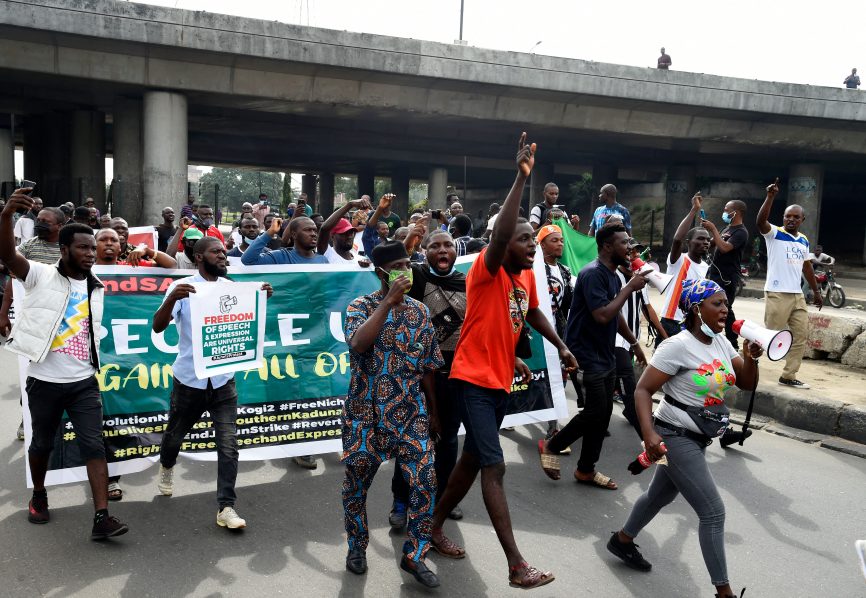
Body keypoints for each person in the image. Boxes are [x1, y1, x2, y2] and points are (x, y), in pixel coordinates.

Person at [431, 133, 577, 590]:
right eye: (526, 240)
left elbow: (529, 314)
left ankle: (430, 527)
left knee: (472, 462)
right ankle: (516, 564)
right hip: (470, 381)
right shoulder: (486, 270)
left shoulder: (522, 280)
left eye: (535, 240)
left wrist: (559, 345)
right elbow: (499, 235)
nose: (533, 245)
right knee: (494, 467)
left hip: (497, 382)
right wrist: (521, 178)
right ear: (504, 245)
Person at [607, 279, 760, 598]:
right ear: (696, 308)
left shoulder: (721, 342)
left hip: (697, 438)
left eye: (726, 303)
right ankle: (724, 593)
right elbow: (643, 390)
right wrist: (649, 434)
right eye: (717, 303)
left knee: (659, 496)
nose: (725, 308)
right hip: (673, 437)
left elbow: (745, 382)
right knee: (714, 513)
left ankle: (622, 540)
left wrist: (752, 358)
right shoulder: (676, 346)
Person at [0, 188, 129, 540]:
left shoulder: (97, 286)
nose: (91, 253)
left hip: (84, 382)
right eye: (84, 248)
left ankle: (102, 517)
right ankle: (39, 495)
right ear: (64, 249)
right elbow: (8, 256)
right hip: (43, 382)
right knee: (42, 444)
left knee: (94, 445)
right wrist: (5, 216)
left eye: (93, 247)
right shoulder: (40, 275)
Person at [341, 240, 444, 588]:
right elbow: (358, 343)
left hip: (410, 414)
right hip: (365, 415)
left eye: (409, 263)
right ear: (381, 272)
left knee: (425, 481)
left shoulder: (419, 312)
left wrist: (433, 412)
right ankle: (357, 545)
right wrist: (387, 302)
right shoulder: (360, 306)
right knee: (356, 486)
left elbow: (428, 366)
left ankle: (415, 555)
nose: (407, 271)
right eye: (399, 265)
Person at [152, 236, 273, 530]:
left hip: (223, 384)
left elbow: (246, 324)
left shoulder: (232, 289)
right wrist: (171, 299)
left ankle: (226, 507)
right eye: (216, 252)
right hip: (189, 382)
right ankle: (167, 465)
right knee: (174, 437)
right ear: (198, 257)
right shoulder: (183, 288)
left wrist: (260, 299)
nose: (223, 256)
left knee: (228, 446)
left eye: (223, 252)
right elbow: (157, 326)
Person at [538, 222, 647, 490]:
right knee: (596, 410)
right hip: (585, 354)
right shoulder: (592, 274)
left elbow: (615, 313)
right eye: (624, 243)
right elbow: (602, 315)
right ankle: (553, 445)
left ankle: (586, 469)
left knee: (605, 411)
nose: (629, 248)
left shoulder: (612, 274)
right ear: (608, 246)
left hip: (605, 352)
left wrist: (633, 342)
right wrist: (629, 288)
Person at [389, 227, 467, 528]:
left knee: (447, 441)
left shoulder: (466, 282)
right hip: (417, 376)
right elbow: (396, 260)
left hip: (454, 376)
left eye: (448, 245)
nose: (443, 250)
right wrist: (411, 240)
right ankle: (401, 501)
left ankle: (441, 498)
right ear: (426, 252)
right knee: (412, 441)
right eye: (435, 246)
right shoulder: (417, 276)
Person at [0, 206, 65, 441]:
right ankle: (25, 419)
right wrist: (4, 312)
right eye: (38, 220)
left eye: (45, 221)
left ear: (60, 225)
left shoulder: (68, 248)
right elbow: (13, 281)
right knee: (32, 377)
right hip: (34, 322)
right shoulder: (29, 246)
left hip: (65, 325)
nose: (38, 223)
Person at [757, 179, 821, 389]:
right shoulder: (775, 233)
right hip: (777, 293)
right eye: (787, 216)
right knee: (768, 335)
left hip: (797, 296)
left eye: (795, 217)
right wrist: (770, 197)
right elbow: (760, 222)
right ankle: (741, 362)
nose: (791, 219)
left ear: (802, 219)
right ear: (783, 218)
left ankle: (788, 376)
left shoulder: (803, 239)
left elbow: (807, 267)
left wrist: (816, 291)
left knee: (800, 336)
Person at [615, 240, 668, 438]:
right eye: (628, 253)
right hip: (616, 340)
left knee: (613, 382)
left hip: (632, 340)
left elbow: (648, 308)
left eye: (636, 253)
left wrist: (664, 335)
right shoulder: (613, 276)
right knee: (629, 384)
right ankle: (648, 436)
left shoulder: (641, 279)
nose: (632, 257)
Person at [658, 195, 711, 339]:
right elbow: (677, 239)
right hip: (671, 320)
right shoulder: (679, 260)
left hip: (691, 322)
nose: (705, 242)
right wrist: (694, 210)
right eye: (700, 239)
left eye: (707, 239)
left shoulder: (705, 266)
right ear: (689, 242)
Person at [703, 200, 748, 348]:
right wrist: (706, 239)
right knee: (712, 306)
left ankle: (732, 342)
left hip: (728, 277)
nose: (724, 212)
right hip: (715, 274)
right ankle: (712, 336)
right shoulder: (726, 228)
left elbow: (725, 248)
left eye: (726, 210)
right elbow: (713, 244)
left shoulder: (741, 232)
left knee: (725, 308)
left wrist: (714, 229)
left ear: (736, 212)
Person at [241, 216, 328, 266]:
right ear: (294, 235)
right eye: (308, 230)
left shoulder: (322, 260)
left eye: (315, 230)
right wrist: (270, 232)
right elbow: (247, 260)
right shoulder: (280, 257)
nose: (313, 234)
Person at [318, 198, 373, 266]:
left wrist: (366, 268)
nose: (349, 236)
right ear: (332, 236)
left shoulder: (360, 260)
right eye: (344, 233)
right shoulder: (328, 253)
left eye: (351, 232)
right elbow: (324, 229)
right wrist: (350, 204)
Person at [96, 228, 177, 268]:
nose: (109, 243)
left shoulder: (132, 266)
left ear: (119, 248)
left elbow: (172, 265)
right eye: (103, 240)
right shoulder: (86, 270)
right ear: (94, 246)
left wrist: (147, 250)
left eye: (114, 240)